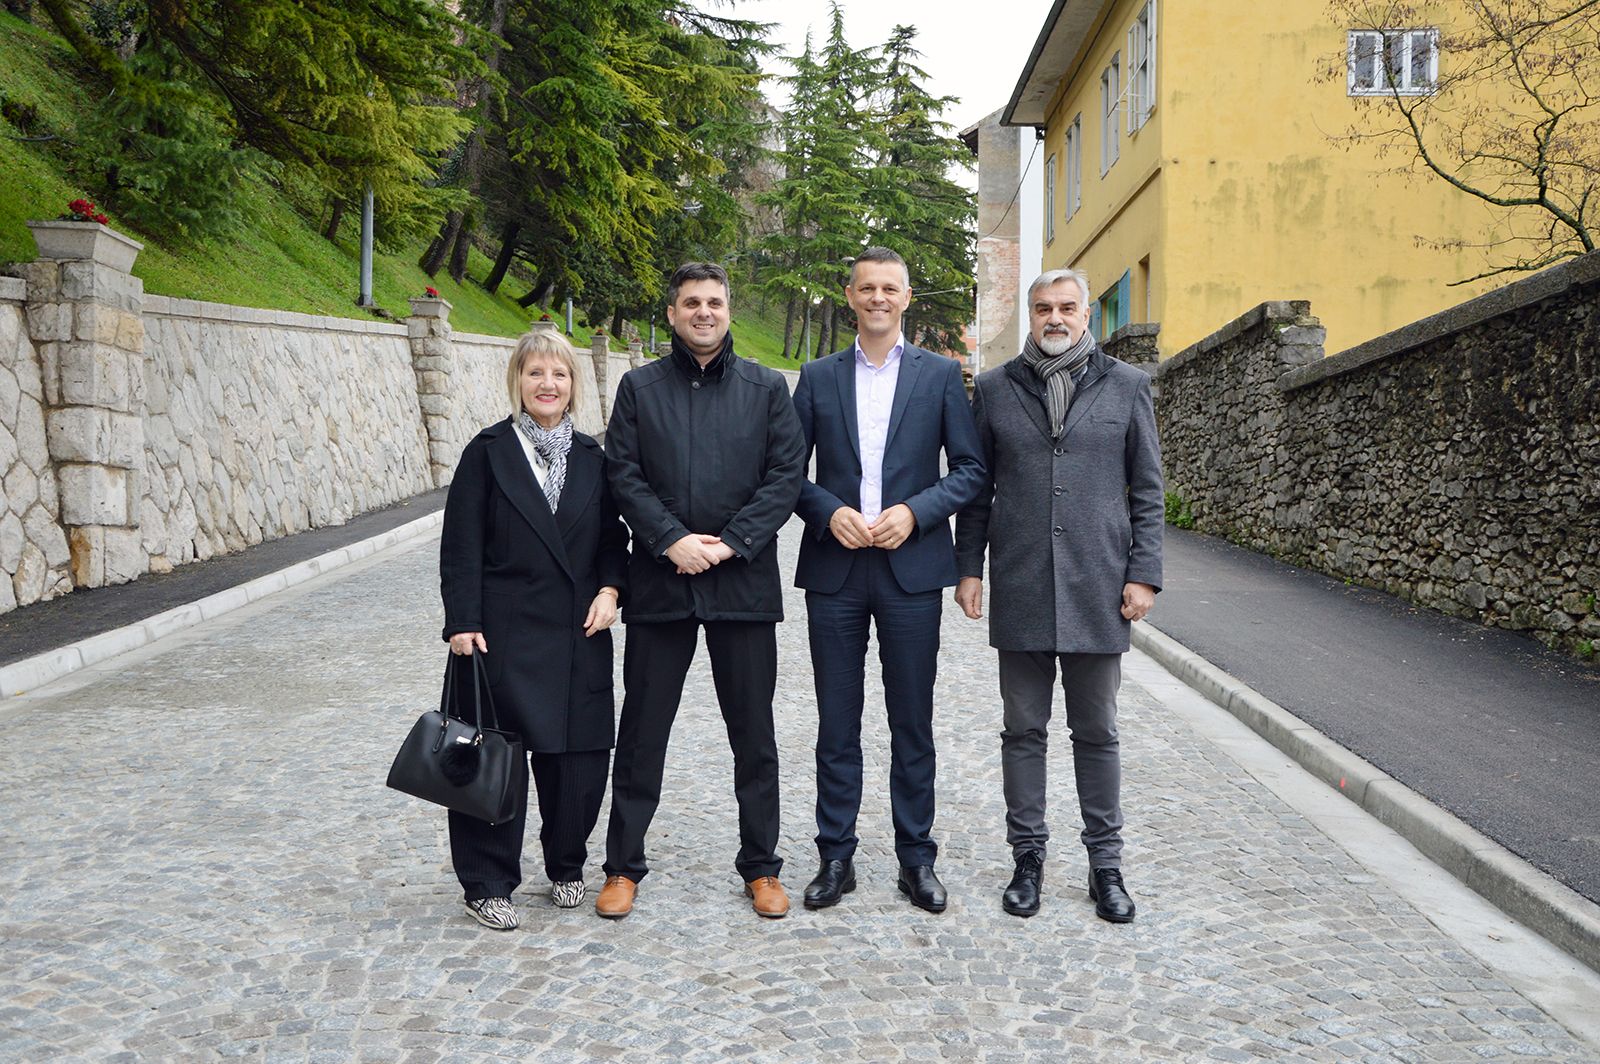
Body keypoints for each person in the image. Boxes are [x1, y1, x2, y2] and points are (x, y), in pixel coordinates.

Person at [595, 262, 806, 920]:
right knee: (641, 733)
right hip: (662, 582)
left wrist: (729, 542)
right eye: (692, 303)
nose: (704, 312)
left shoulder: (767, 388)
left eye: (715, 302)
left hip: (742, 584)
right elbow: (623, 474)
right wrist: (669, 539)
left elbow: (785, 476)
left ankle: (762, 867)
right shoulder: (639, 388)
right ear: (673, 313)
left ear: (729, 311)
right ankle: (623, 867)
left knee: (755, 735)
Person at [954, 267, 1164, 923]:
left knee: (1097, 731)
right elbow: (975, 491)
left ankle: (1106, 866)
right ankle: (1028, 860)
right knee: (1022, 731)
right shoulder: (992, 390)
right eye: (1043, 307)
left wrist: (1144, 572)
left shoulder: (1128, 388)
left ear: (1087, 315)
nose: (1055, 318)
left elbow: (1148, 492)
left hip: (1099, 584)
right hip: (1019, 580)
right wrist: (970, 569)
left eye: (1067, 308)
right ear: (1031, 313)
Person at [789, 247, 985, 913]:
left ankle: (916, 858)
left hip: (911, 571)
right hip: (836, 571)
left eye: (889, 288)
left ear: (906, 297)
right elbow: (785, 471)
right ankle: (835, 856)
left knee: (913, 721)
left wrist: (915, 511)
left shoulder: (940, 375)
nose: (878, 298)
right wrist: (829, 511)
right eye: (866, 288)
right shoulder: (816, 378)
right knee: (836, 723)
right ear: (850, 296)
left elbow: (968, 470)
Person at [438, 329, 628, 930]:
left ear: (574, 385)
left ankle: (567, 865)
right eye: (535, 373)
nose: (548, 385)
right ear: (517, 381)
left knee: (580, 763)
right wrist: (462, 621)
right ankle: (487, 882)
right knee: (490, 760)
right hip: (500, 633)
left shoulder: (596, 460)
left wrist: (611, 589)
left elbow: (611, 541)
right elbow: (460, 545)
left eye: (560, 374)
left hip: (579, 629)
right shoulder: (486, 452)